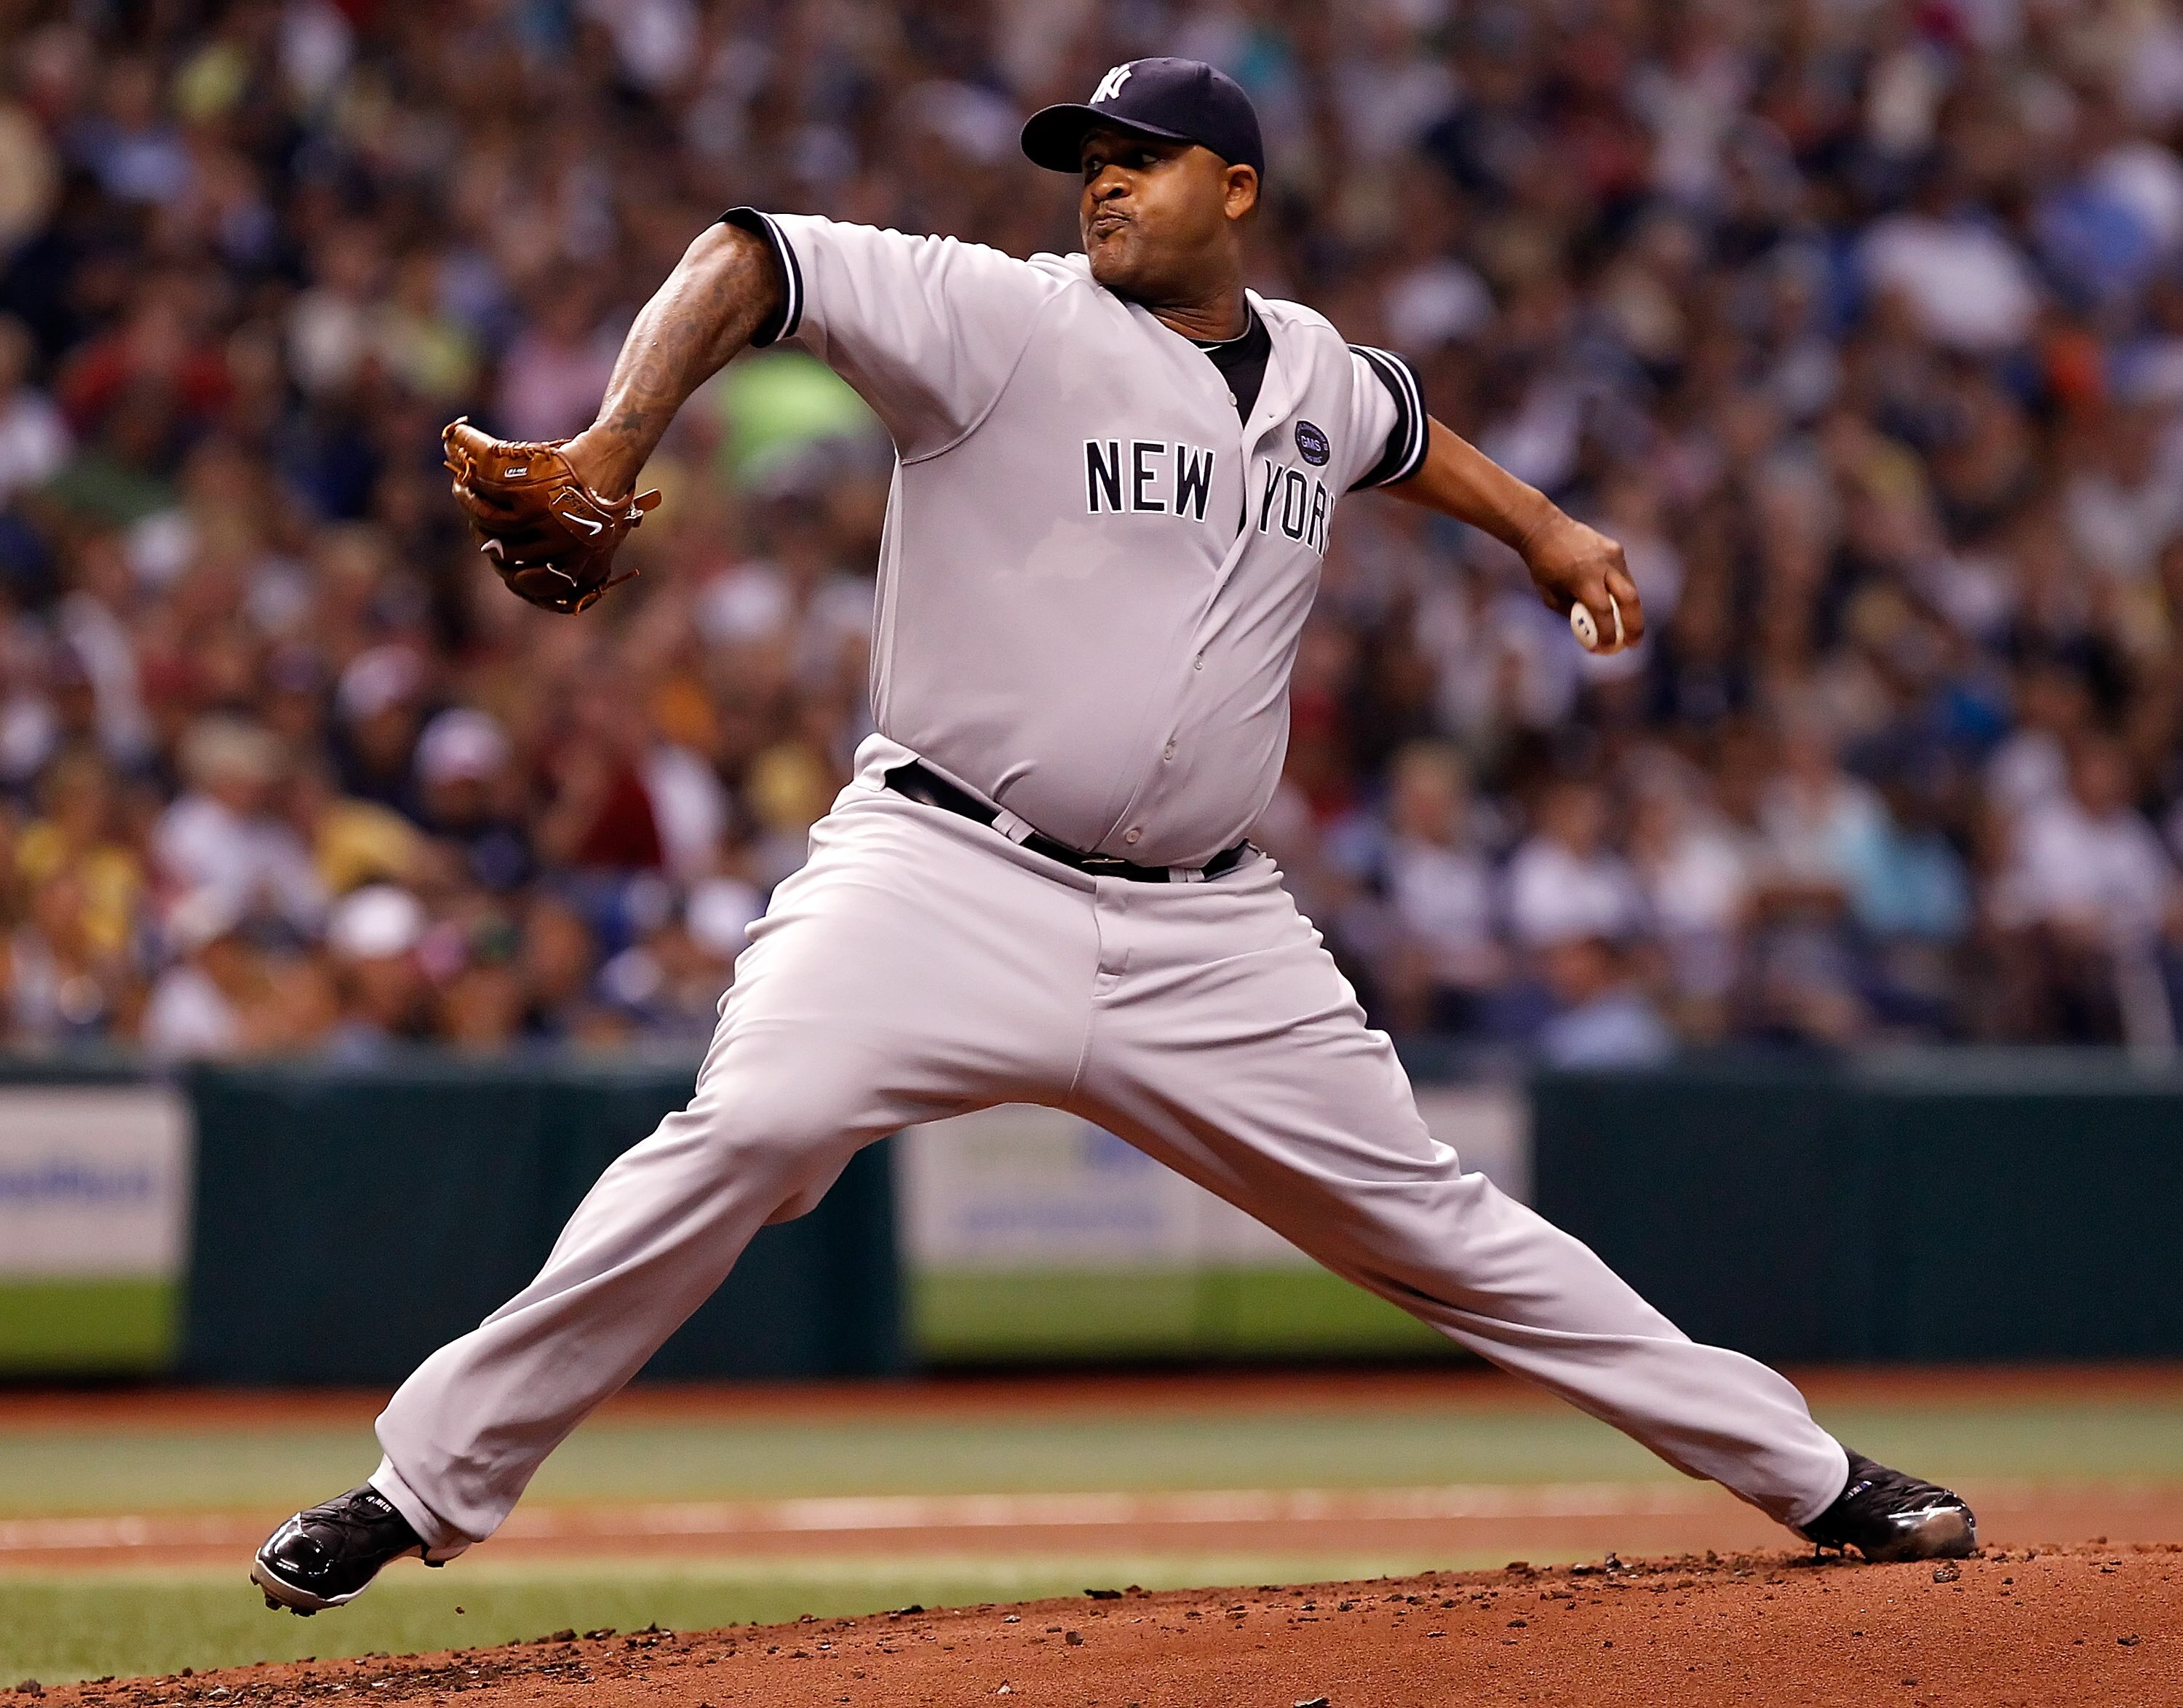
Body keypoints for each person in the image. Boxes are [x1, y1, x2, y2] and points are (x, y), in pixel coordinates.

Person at [253, 58, 1971, 1614]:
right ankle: (418, 1486)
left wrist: (1546, 530)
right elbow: (750, 252)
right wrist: (622, 436)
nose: (1104, 181)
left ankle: (1814, 1478)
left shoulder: (1308, 366)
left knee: (1441, 1223)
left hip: (1213, 935)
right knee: (747, 1129)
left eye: (1146, 157)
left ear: (1239, 186)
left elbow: (1397, 427)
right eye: (1090, 158)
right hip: (943, 872)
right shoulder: (999, 316)